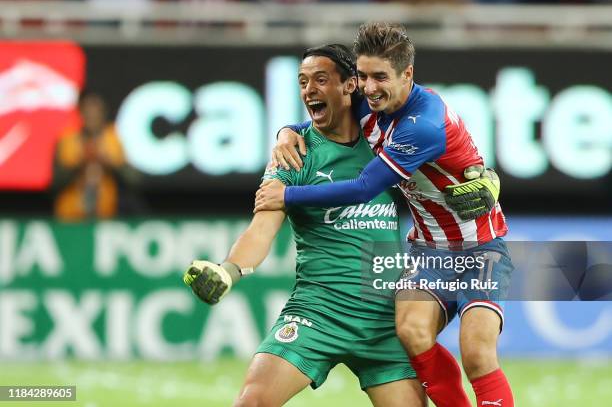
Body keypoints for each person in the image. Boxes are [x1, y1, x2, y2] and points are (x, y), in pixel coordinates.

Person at [255, 23, 514, 407]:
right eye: (362, 76)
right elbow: (324, 118)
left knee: (476, 353)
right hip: (428, 250)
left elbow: (363, 188)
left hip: (480, 247)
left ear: (407, 74)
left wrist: (287, 194)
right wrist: (286, 131)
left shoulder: (422, 125)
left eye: (380, 77)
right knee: (411, 332)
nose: (369, 87)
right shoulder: (368, 100)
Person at [184, 44, 427, 407]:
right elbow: (261, 229)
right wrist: (229, 271)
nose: (308, 89)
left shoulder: (383, 140)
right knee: (251, 402)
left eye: (320, 79)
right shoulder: (293, 155)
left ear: (350, 86)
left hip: (384, 319)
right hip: (319, 312)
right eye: (302, 81)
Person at [53, 91, 138, 221]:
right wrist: (80, 163)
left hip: (107, 215)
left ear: (103, 114)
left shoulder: (112, 139)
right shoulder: (68, 140)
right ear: (80, 113)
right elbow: (55, 182)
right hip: (69, 216)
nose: (91, 116)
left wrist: (110, 163)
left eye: (95, 112)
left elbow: (133, 179)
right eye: (87, 112)